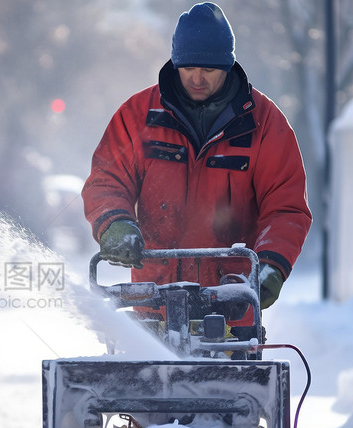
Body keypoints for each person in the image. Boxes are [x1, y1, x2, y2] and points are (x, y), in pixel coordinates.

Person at [82, 2, 312, 314]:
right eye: (189, 68)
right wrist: (115, 222)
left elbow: (285, 208)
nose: (197, 78)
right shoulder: (138, 116)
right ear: (176, 63)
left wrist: (272, 265)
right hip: (153, 302)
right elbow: (107, 181)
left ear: (228, 65)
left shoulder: (264, 123)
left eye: (209, 69)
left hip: (231, 303)